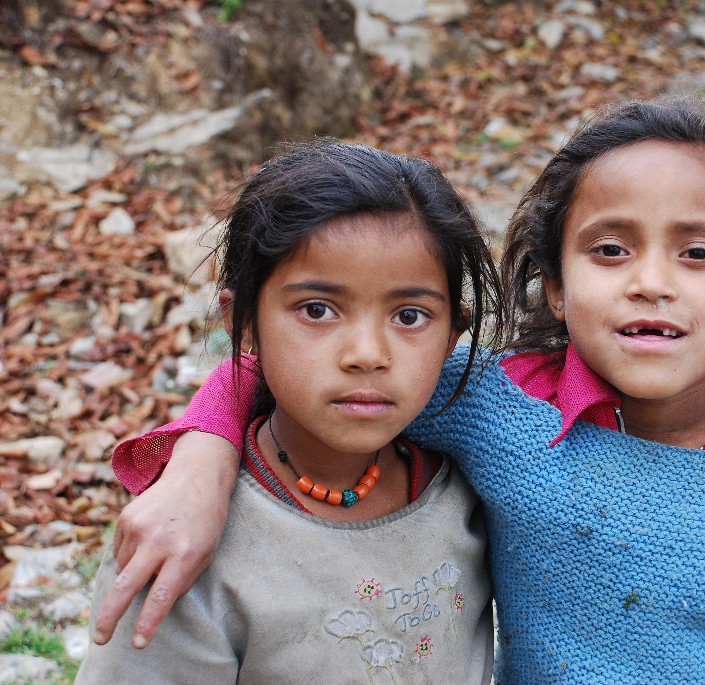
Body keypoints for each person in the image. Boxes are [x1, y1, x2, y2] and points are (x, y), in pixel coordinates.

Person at [96, 95, 705, 684]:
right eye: (610, 249)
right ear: (554, 286)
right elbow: (292, 368)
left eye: (698, 254)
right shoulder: (505, 406)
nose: (651, 283)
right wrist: (201, 462)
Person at [75, 142, 500, 684]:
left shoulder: (473, 482)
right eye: (317, 310)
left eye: (410, 315)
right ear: (244, 323)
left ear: (451, 336)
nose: (368, 353)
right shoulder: (184, 545)